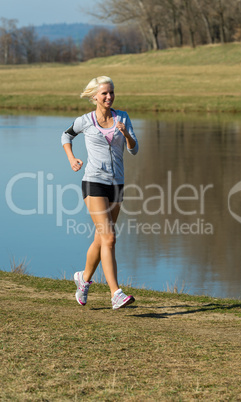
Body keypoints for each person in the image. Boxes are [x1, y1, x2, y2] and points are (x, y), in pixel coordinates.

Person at [61, 76, 139, 310]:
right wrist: (72, 158)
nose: (109, 97)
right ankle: (116, 293)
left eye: (111, 93)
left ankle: (83, 279)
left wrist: (125, 134)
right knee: (110, 237)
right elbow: (66, 136)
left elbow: (134, 149)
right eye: (104, 93)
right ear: (94, 96)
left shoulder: (122, 117)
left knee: (100, 238)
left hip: (117, 184)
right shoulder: (85, 121)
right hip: (93, 182)